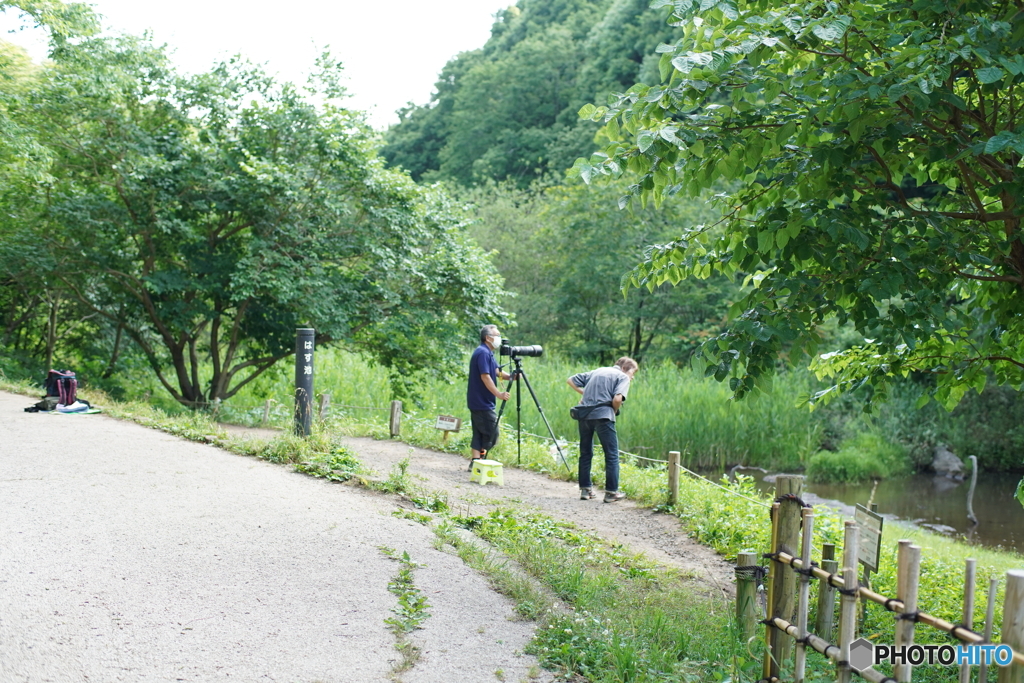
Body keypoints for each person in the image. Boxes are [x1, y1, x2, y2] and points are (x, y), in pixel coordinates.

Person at [566, 357, 638, 503]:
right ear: (625, 368)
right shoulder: (622, 377)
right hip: (603, 416)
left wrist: (584, 395)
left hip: (584, 415)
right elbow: (617, 399)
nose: (633, 376)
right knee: (611, 454)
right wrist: (614, 410)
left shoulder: (597, 371)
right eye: (633, 372)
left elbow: (571, 380)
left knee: (585, 453)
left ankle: (585, 490)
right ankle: (611, 492)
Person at [466, 325, 512, 470]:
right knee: (492, 432)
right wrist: (499, 394)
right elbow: (485, 376)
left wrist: (511, 376)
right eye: (497, 335)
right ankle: (481, 460)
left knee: (479, 432)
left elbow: (496, 371)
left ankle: (475, 461)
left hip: (479, 400)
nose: (499, 338)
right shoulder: (483, 353)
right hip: (481, 401)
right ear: (488, 337)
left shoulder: (487, 353)